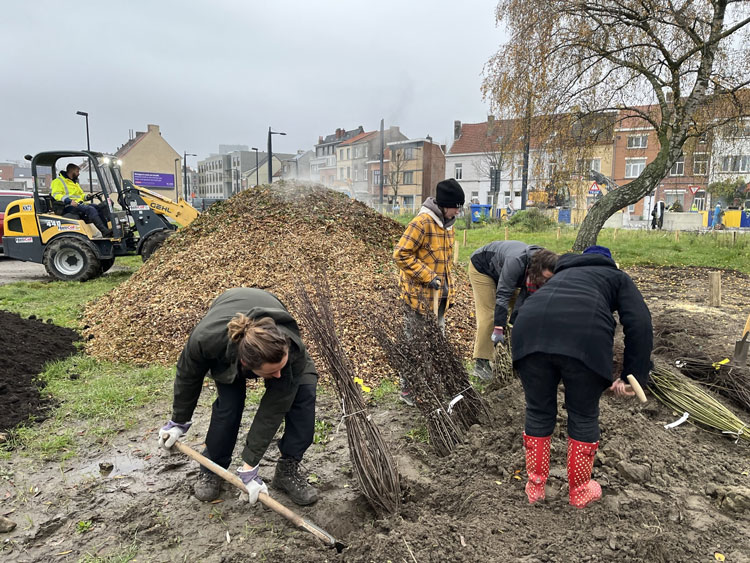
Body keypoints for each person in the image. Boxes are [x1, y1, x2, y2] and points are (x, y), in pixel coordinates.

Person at [511, 245, 652, 508]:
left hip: (528, 334)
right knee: (583, 413)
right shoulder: (616, 276)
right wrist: (633, 375)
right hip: (585, 337)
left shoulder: (560, 275)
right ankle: (580, 490)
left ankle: (535, 488)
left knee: (538, 411)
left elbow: (522, 309)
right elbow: (640, 323)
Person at [157, 288, 319, 506]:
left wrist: (249, 465)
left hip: (274, 341)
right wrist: (179, 420)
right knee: (229, 406)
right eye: (272, 373)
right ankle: (213, 467)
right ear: (246, 366)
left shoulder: (290, 350)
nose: (278, 376)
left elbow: (273, 409)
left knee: (303, 398)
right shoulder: (206, 340)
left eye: (280, 369)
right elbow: (188, 376)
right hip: (227, 337)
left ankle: (288, 469)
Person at [393, 178, 464, 405]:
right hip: (418, 297)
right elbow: (401, 254)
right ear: (444, 204)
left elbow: (445, 262)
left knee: (436, 343)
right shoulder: (422, 223)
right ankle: (408, 388)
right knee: (415, 343)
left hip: (439, 297)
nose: (458, 211)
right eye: (456, 206)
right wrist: (428, 277)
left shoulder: (448, 225)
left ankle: (431, 384)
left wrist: (447, 286)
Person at [468, 241, 558, 380]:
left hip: (505, 271)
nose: (545, 282)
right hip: (483, 269)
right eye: (545, 278)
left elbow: (525, 299)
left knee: (525, 313)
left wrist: (514, 323)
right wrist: (499, 327)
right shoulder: (516, 262)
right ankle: (481, 364)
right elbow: (503, 295)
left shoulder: (546, 263)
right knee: (490, 315)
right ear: (537, 269)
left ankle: (518, 356)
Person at [50, 163, 112, 237]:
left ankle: (107, 229)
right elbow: (56, 194)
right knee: (90, 209)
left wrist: (87, 196)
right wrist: (69, 201)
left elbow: (80, 195)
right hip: (68, 206)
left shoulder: (74, 182)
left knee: (97, 207)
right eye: (77, 171)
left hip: (78, 204)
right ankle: (104, 231)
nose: (78, 174)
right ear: (71, 171)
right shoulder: (58, 181)